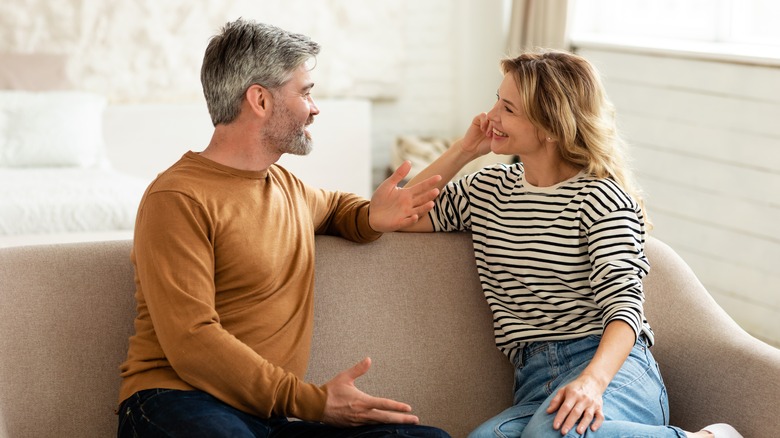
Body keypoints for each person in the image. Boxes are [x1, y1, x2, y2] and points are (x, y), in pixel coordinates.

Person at [116, 18, 449, 438]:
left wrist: (370, 217)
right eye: (305, 92)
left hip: (265, 418)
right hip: (174, 401)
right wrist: (315, 402)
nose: (315, 108)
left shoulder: (288, 188)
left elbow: (335, 208)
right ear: (259, 100)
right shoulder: (177, 198)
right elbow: (192, 342)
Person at [401, 50, 742, 438]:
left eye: (508, 108)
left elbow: (625, 310)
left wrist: (592, 383)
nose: (490, 116)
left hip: (612, 371)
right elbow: (398, 213)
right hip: (534, 380)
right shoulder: (487, 189)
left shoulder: (600, 197)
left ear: (550, 125)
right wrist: (464, 151)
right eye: (496, 99)